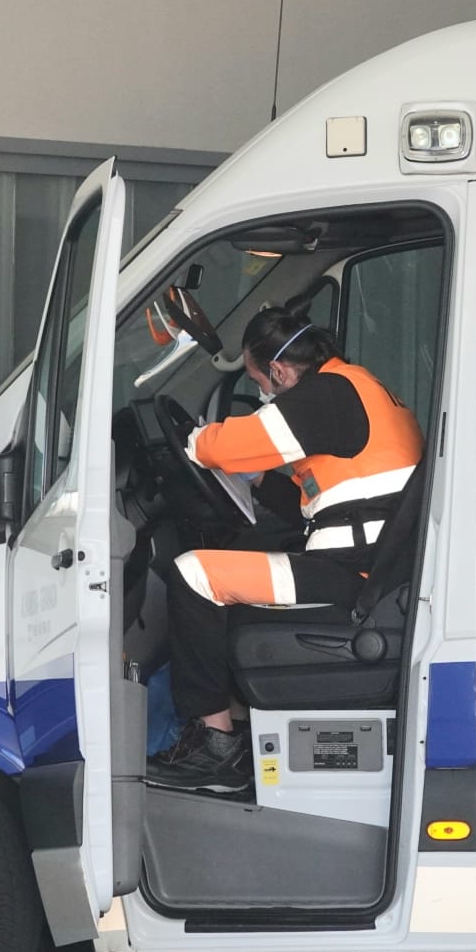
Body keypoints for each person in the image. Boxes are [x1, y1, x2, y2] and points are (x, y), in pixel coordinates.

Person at [147, 307, 423, 791]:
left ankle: (217, 750)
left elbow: (223, 448)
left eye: (259, 383)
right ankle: (231, 719)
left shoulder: (328, 392)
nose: (263, 395)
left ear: (276, 371)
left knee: (192, 573)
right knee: (226, 574)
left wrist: (194, 441)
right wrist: (256, 486)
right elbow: (325, 498)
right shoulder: (360, 387)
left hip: (356, 577)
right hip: (374, 566)